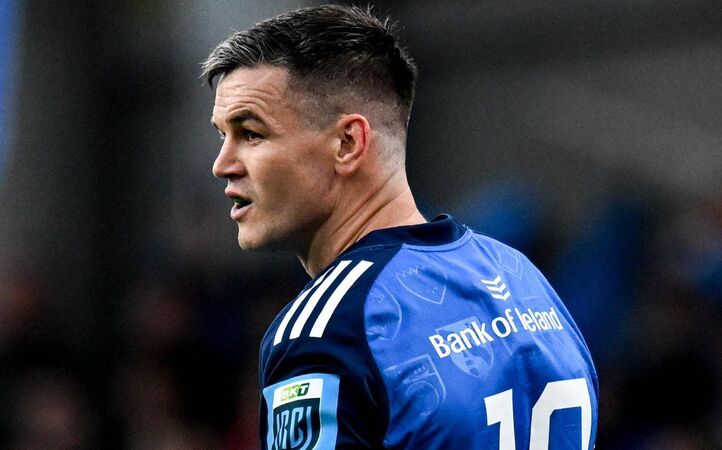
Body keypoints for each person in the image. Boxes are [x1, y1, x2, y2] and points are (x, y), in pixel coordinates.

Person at [203, 5, 598, 449]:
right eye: (222, 135)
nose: (223, 164)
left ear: (348, 143)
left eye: (250, 133)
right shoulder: (522, 280)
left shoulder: (329, 330)